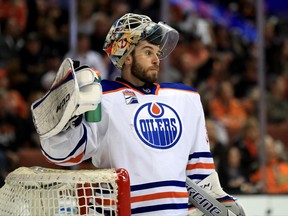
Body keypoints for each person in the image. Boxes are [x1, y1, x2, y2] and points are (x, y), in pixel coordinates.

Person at [31, 13, 245, 215]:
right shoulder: (100, 97)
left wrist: (218, 197)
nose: (156, 59)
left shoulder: (185, 98)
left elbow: (200, 170)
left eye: (157, 53)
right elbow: (61, 153)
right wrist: (65, 120)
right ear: (127, 57)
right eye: (147, 52)